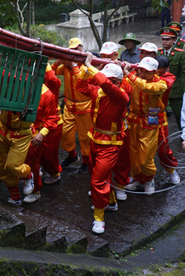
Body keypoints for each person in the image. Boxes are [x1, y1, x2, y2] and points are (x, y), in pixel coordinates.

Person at [76, 53, 129, 235]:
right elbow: (81, 86)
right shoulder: (98, 91)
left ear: (116, 82)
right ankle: (111, 202)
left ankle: (99, 218)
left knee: (97, 180)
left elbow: (105, 84)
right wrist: (89, 72)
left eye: (108, 80)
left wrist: (89, 66)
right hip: (95, 140)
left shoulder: (121, 97)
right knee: (98, 174)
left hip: (111, 144)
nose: (103, 82)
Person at [123, 57, 167, 196]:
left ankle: (149, 179)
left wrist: (129, 73)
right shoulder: (133, 78)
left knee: (146, 155)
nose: (142, 73)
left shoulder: (160, 84)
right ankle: (138, 179)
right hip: (134, 119)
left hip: (150, 120)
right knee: (133, 152)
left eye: (146, 71)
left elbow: (146, 87)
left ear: (154, 72)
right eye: (140, 69)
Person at [52, 38, 92, 174]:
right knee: (65, 134)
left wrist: (74, 64)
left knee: (85, 137)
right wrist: (59, 61)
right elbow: (51, 73)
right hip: (69, 105)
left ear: (81, 48)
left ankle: (87, 161)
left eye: (76, 49)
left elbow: (81, 79)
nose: (73, 53)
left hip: (85, 106)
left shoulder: (86, 65)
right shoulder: (65, 67)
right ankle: (72, 155)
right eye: (71, 50)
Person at [22, 69, 62, 203]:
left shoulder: (47, 94)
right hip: (23, 130)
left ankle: (36, 190)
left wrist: (42, 133)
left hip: (40, 131)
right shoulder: (22, 88)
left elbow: (52, 118)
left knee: (41, 158)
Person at [154, 55, 180, 184]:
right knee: (137, 151)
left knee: (163, 148)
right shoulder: (143, 73)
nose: (159, 74)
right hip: (139, 117)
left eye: (162, 71)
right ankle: (140, 178)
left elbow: (160, 85)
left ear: (167, 69)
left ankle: (171, 171)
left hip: (158, 117)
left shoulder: (169, 77)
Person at [159, 25, 185, 130]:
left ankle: (182, 136)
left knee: (180, 116)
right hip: (160, 89)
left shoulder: (180, 54)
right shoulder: (158, 53)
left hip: (176, 91)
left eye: (167, 39)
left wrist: (183, 90)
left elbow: (183, 74)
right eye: (162, 39)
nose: (164, 42)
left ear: (174, 40)